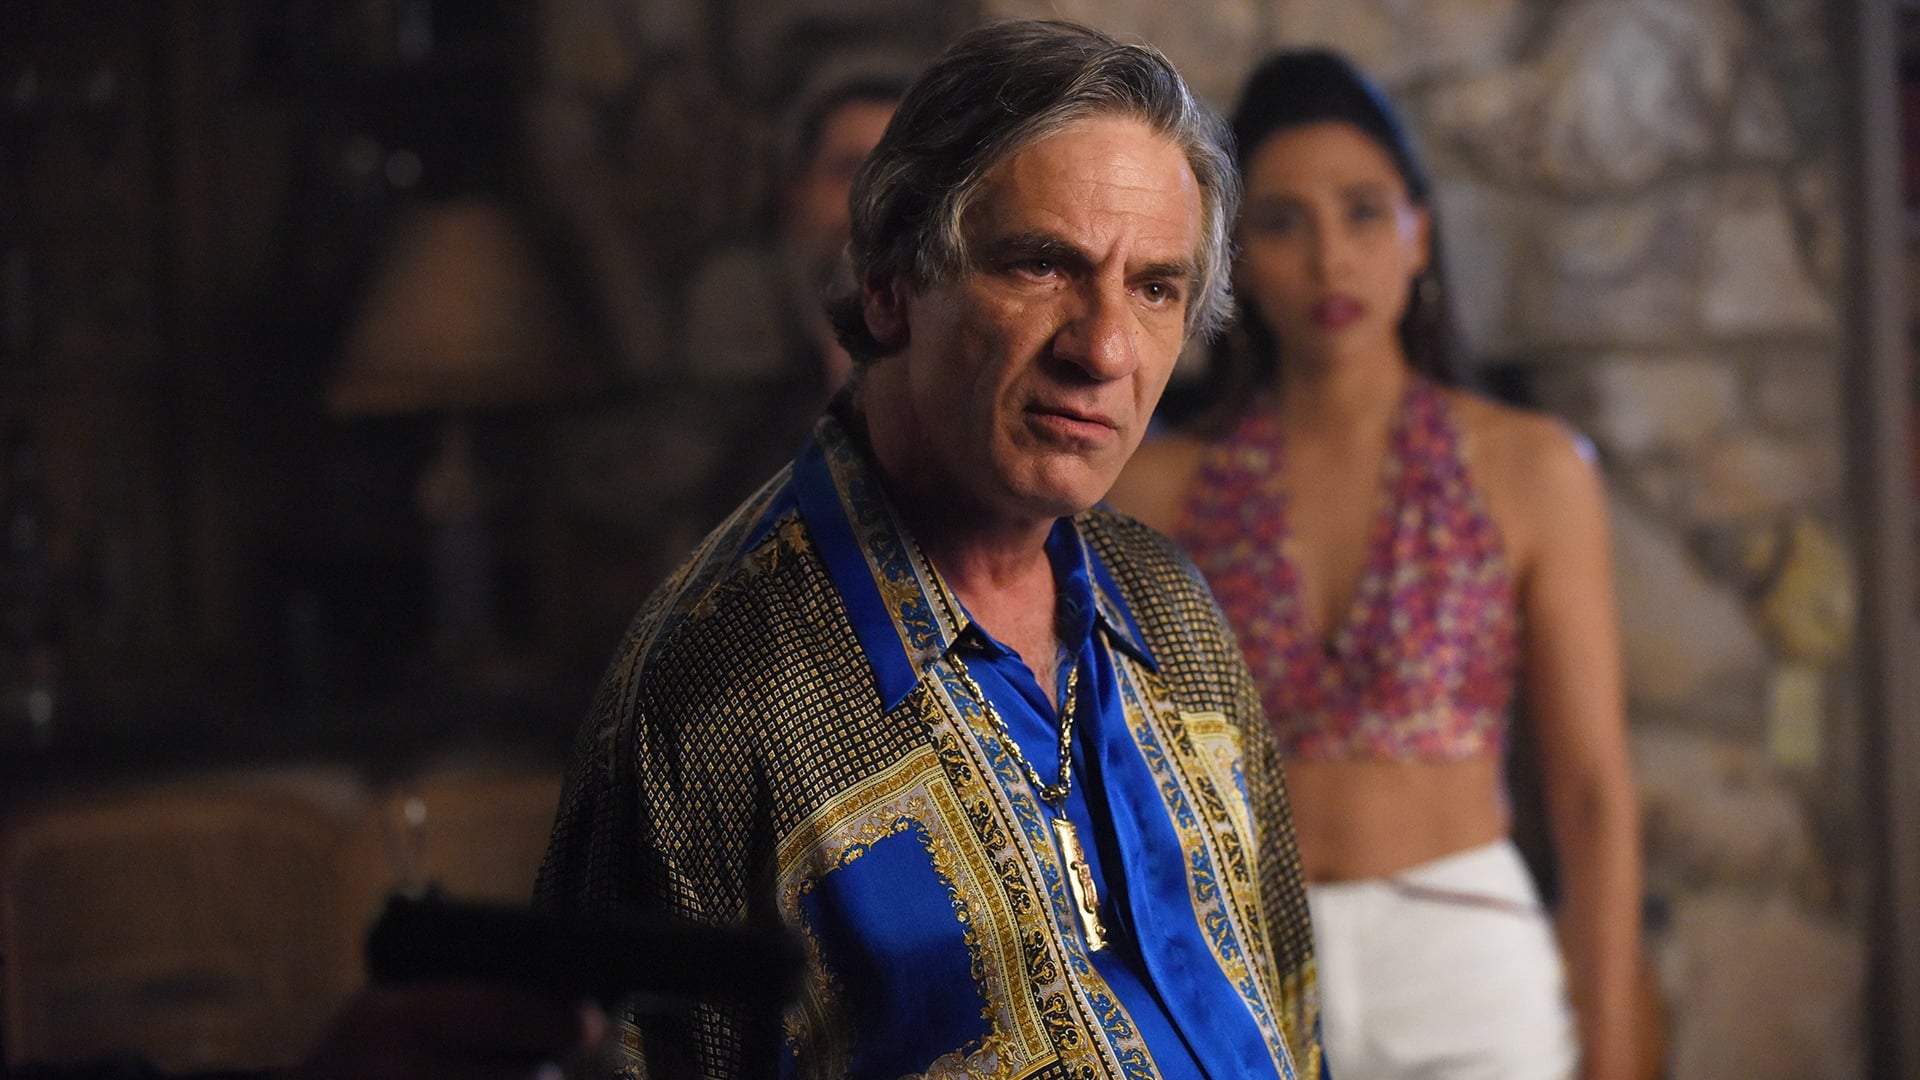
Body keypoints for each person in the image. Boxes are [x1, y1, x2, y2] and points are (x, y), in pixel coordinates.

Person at [537, 19, 1323, 1079]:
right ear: (889, 285)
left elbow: (1292, 1013)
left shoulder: (1170, 610)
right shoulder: (714, 693)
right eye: (1042, 265)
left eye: (1155, 288)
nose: (1104, 349)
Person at [1106, 49, 1642, 1080]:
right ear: (1235, 258)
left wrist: (1612, 1049)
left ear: (1418, 233)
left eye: (1363, 212)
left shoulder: (1532, 469)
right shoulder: (1154, 487)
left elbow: (1592, 796)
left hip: (1464, 956)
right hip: (1237, 959)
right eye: (1282, 222)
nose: (1330, 259)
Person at [681, 64, 910, 517]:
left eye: (897, 176)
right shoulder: (743, 429)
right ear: (796, 199)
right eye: (849, 170)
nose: (872, 203)